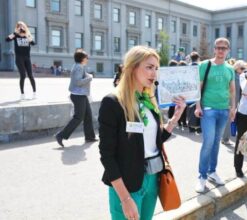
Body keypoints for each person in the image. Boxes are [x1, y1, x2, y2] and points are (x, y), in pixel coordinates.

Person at [98, 46, 186, 220]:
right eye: (149, 67)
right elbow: (107, 155)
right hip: (126, 183)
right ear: (132, 68)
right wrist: (125, 198)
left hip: (153, 179)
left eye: (156, 68)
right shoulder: (113, 102)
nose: (154, 73)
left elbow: (155, 140)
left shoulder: (148, 99)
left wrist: (174, 119)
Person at [194, 37, 235, 193]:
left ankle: (212, 171)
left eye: (224, 48)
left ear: (228, 50)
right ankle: (202, 176)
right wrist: (198, 106)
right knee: (208, 141)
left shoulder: (230, 69)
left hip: (224, 109)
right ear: (214, 49)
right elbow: (199, 87)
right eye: (218, 47)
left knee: (216, 142)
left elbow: (232, 90)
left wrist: (233, 107)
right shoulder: (205, 65)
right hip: (208, 109)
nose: (220, 50)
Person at [54, 49, 97, 147]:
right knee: (78, 117)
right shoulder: (79, 67)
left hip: (81, 95)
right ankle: (60, 135)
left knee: (88, 116)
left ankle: (90, 136)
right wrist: (90, 78)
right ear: (82, 58)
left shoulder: (78, 66)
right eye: (86, 57)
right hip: (78, 96)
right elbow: (78, 82)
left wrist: (88, 76)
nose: (87, 59)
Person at [5, 21, 36, 100]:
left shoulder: (27, 35)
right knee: (23, 75)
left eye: (22, 26)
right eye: (19, 26)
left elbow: (33, 43)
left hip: (27, 58)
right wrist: (15, 33)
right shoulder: (15, 35)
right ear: (17, 27)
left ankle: (34, 93)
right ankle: (22, 94)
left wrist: (27, 35)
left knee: (31, 76)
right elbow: (7, 39)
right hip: (19, 58)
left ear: (25, 27)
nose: (21, 27)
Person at [221, 58, 237, 145]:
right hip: (229, 101)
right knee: (228, 120)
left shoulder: (230, 75)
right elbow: (233, 91)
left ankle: (224, 137)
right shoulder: (234, 76)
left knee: (227, 120)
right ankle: (225, 138)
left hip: (228, 101)